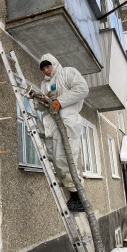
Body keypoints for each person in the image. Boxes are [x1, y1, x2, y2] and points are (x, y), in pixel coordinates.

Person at [38, 53, 89, 212]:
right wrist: (39, 101)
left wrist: (60, 101)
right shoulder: (44, 84)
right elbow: (46, 104)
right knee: (55, 158)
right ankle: (72, 191)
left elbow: (82, 89)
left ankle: (78, 197)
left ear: (53, 63)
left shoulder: (67, 73)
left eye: (48, 66)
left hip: (67, 123)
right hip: (53, 124)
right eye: (43, 68)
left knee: (65, 159)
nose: (46, 70)